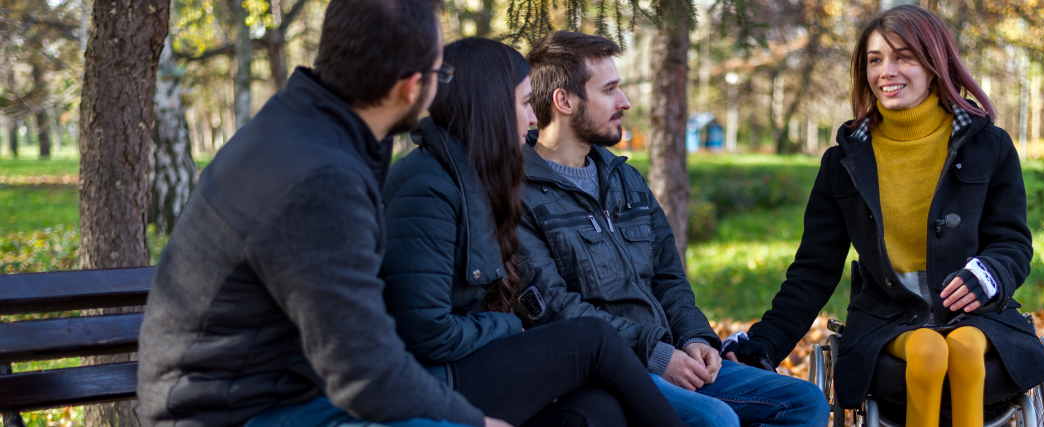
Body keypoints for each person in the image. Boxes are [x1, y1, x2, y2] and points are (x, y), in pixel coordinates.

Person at [137, 1, 502, 426]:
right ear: (411, 87)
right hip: (230, 412)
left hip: (273, 389)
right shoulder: (322, 179)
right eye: (442, 76)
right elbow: (366, 375)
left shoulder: (301, 125)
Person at [722, 5, 1044, 427]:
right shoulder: (844, 162)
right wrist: (765, 343)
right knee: (928, 351)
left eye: (904, 56)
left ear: (935, 63)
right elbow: (814, 269)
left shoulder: (987, 146)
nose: (887, 70)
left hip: (977, 316)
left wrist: (989, 274)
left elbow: (1012, 242)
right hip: (887, 317)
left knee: (966, 350)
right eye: (875, 59)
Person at [515, 30, 829, 427]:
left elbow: (668, 277)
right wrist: (657, 357)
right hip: (604, 371)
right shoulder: (520, 194)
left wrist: (696, 339)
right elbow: (558, 310)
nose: (624, 102)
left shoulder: (626, 180)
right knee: (715, 420)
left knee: (806, 402)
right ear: (564, 101)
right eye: (609, 90)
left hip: (670, 354)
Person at [380, 37, 688, 427]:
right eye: (525, 103)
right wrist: (512, 326)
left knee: (598, 409)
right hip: (433, 380)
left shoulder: (472, 177)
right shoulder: (428, 188)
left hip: (464, 365)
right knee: (591, 339)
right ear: (491, 104)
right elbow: (425, 334)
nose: (532, 119)